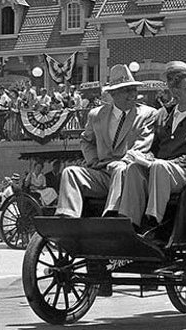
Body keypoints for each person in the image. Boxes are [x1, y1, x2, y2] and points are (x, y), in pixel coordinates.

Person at [119, 68, 186, 230]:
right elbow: (154, 146)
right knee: (134, 169)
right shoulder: (162, 115)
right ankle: (130, 223)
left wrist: (171, 162)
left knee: (160, 166)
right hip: (162, 170)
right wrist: (146, 156)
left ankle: (153, 222)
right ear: (175, 92)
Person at [55, 64, 156, 219]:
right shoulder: (96, 115)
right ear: (113, 94)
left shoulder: (148, 114)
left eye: (134, 89)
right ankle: (67, 217)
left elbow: (142, 144)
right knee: (71, 172)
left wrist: (123, 160)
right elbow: (86, 141)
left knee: (119, 168)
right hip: (102, 174)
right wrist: (93, 160)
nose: (133, 94)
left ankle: (112, 214)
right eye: (127, 90)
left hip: (130, 173)